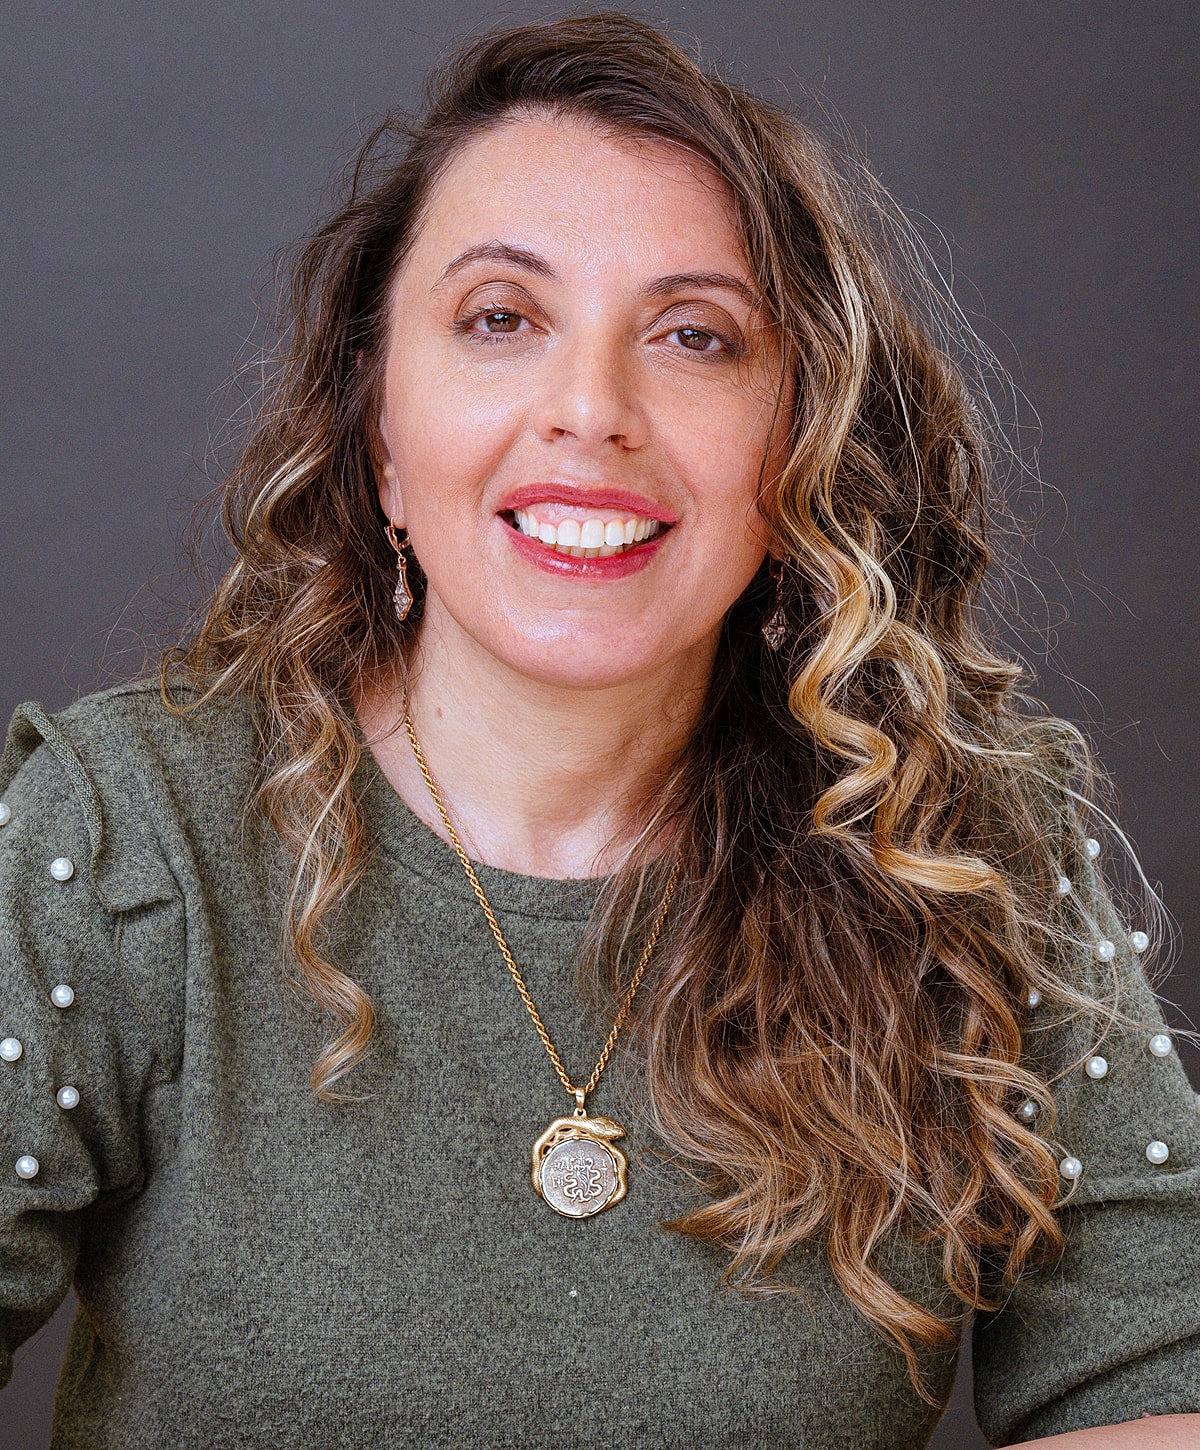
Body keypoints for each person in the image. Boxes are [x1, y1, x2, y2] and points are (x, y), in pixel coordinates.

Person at [1, 12, 1197, 1448]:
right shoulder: (123, 839)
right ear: (381, 435)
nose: (592, 410)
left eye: (695, 336)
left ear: (802, 446)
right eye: (502, 317)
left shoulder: (965, 854)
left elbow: (1159, 1386)